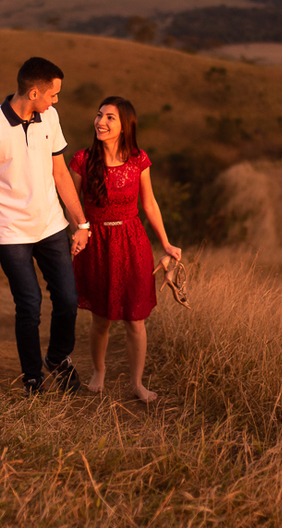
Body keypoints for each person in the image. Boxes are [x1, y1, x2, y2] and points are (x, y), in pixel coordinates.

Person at [0, 57, 91, 396]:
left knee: (68, 299)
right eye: (53, 94)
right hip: (9, 234)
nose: (56, 100)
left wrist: (81, 223)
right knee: (29, 305)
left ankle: (58, 358)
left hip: (51, 226)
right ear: (34, 92)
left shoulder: (50, 117)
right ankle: (32, 377)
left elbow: (60, 173)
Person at [69, 96, 181, 403]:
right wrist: (79, 229)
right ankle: (99, 371)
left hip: (132, 242)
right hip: (96, 243)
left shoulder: (138, 159)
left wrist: (166, 242)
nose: (101, 122)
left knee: (135, 320)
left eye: (110, 118)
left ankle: (137, 384)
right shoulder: (82, 159)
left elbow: (150, 203)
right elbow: (70, 202)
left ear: (125, 126)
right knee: (101, 319)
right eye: (99, 115)